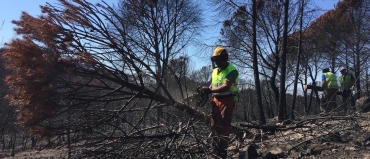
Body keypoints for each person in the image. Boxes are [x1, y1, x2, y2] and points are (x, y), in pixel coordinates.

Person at [199, 46, 239, 159]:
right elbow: (213, 83)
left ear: (224, 58)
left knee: (223, 126)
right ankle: (215, 150)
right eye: (215, 60)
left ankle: (222, 152)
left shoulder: (231, 70)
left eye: (218, 59)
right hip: (215, 100)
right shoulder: (215, 71)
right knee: (214, 125)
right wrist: (206, 90)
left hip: (227, 100)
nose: (216, 62)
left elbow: (226, 86)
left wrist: (210, 90)